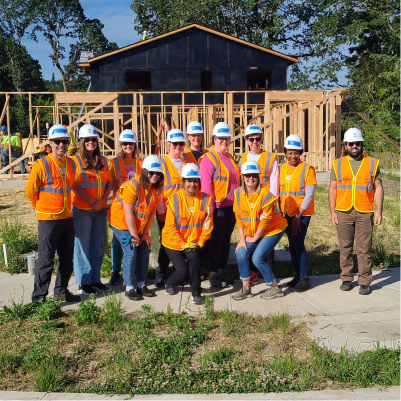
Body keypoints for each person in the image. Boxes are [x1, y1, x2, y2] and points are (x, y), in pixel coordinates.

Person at [25, 124, 80, 303]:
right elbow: (30, 192)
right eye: (57, 142)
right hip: (48, 220)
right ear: (50, 142)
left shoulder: (71, 163)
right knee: (46, 260)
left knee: (66, 259)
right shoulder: (42, 164)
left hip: (67, 218)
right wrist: (40, 207)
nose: (61, 145)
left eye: (64, 141)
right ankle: (39, 299)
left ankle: (61, 292)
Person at [329, 128, 383, 295]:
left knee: (364, 248)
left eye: (357, 143)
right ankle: (346, 278)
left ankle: (365, 281)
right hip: (343, 211)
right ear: (345, 145)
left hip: (365, 211)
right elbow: (332, 189)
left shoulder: (372, 163)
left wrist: (379, 211)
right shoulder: (337, 163)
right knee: (345, 247)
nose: (354, 146)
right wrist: (333, 211)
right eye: (351, 143)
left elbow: (378, 188)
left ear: (361, 145)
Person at [108, 155, 163, 300]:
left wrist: (145, 233)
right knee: (131, 251)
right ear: (145, 171)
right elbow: (127, 213)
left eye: (158, 173)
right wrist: (134, 235)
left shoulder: (156, 189)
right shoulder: (132, 186)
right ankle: (129, 286)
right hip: (121, 223)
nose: (155, 176)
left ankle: (141, 284)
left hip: (138, 225)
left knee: (144, 250)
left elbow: (151, 213)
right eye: (151, 173)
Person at [233, 161, 287, 300]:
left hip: (272, 229)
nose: (251, 178)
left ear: (258, 177)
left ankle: (275, 287)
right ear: (243, 177)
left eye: (254, 175)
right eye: (247, 175)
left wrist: (255, 238)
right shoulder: (238, 193)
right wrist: (242, 240)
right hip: (255, 231)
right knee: (241, 252)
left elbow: (265, 221)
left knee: (257, 258)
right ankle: (246, 289)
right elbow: (239, 217)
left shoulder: (266, 195)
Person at [162, 163, 213, 305]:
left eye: (195, 181)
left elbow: (208, 224)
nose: (192, 184)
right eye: (189, 181)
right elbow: (170, 227)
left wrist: (201, 242)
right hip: (173, 241)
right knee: (182, 270)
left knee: (194, 258)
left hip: (193, 242)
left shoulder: (206, 199)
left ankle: (196, 290)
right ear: (183, 182)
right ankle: (170, 283)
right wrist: (183, 244)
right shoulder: (174, 199)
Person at [71, 124, 112, 295]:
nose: (90, 142)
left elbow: (109, 182)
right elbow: (73, 185)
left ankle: (95, 279)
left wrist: (103, 200)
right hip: (82, 209)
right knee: (82, 246)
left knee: (97, 246)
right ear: (81, 141)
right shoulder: (74, 161)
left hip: (99, 209)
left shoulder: (103, 161)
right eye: (87, 139)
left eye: (93, 139)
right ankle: (83, 282)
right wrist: (92, 201)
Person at [200, 122, 240, 288]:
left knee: (226, 241)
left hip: (232, 207)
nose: (224, 141)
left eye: (227, 139)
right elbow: (206, 185)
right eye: (221, 138)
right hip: (217, 207)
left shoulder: (230, 157)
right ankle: (213, 274)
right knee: (217, 241)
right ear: (214, 139)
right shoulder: (209, 159)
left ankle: (222, 271)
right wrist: (209, 209)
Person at [239, 124, 279, 284]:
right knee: (251, 236)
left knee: (266, 237)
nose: (255, 142)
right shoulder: (242, 159)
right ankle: (252, 272)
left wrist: (271, 205)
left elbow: (276, 182)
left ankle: (268, 273)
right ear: (247, 140)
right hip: (249, 206)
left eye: (258, 138)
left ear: (262, 139)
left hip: (266, 204)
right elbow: (241, 184)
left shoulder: (271, 157)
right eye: (251, 139)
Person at [279, 134, 316, 292]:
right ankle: (298, 276)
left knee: (298, 245)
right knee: (292, 246)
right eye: (290, 152)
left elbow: (309, 194)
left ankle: (304, 278)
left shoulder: (307, 169)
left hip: (300, 215)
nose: (292, 156)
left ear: (301, 152)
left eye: (296, 152)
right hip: (286, 214)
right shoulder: (282, 168)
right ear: (285, 152)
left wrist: (298, 216)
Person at [108, 129, 142, 285]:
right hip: (120, 207)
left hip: (136, 207)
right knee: (116, 242)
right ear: (121, 145)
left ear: (135, 145)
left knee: (133, 239)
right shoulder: (114, 163)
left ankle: (130, 269)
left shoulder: (140, 163)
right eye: (125, 144)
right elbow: (114, 186)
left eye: (131, 144)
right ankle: (116, 271)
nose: (128, 146)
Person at [154, 129, 187, 287]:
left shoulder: (187, 163)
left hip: (183, 211)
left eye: (181, 143)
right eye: (175, 143)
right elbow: (158, 188)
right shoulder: (162, 163)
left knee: (180, 240)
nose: (178, 146)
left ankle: (177, 272)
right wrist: (160, 209)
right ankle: (161, 273)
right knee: (166, 242)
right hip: (166, 211)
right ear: (168, 144)